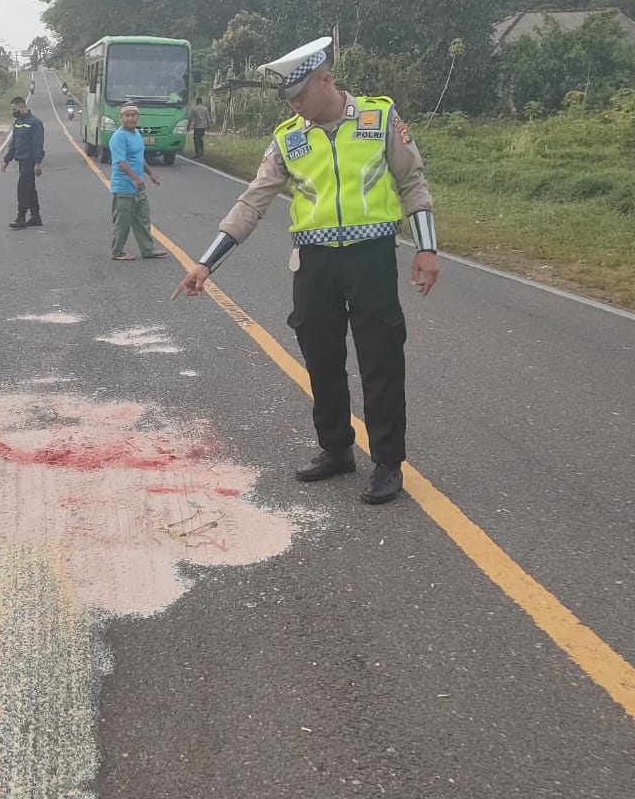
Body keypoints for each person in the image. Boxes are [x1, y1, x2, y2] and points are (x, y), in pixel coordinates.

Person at [172, 36, 440, 506]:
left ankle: (387, 462)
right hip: (315, 262)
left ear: (326, 79)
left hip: (371, 256)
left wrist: (427, 248)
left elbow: (412, 182)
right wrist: (205, 263)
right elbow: (252, 201)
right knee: (321, 358)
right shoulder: (289, 138)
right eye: (288, 99)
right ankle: (336, 448)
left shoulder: (379, 120)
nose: (295, 105)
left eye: (300, 95)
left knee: (380, 359)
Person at [107, 103, 168, 262]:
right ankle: (117, 251)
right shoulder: (119, 137)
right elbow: (121, 162)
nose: (130, 118)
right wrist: (135, 178)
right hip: (124, 187)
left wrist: (150, 173)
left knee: (143, 217)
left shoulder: (136, 134)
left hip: (137, 186)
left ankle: (148, 249)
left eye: (133, 115)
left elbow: (138, 158)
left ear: (137, 117)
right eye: (126, 115)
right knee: (123, 221)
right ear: (121, 118)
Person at [0, 95, 46, 229]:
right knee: (30, 189)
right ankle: (36, 217)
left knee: (23, 190)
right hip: (21, 160)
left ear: (23, 107)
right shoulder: (18, 123)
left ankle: (20, 218)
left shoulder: (34, 122)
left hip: (30, 161)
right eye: (12, 110)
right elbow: (13, 144)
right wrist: (6, 160)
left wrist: (38, 163)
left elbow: (38, 143)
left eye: (15, 109)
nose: (14, 112)